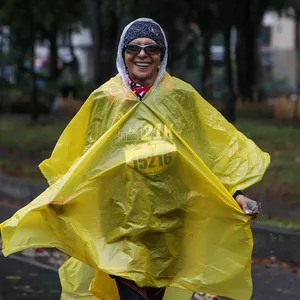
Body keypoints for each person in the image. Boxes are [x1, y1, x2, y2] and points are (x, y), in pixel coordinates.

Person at [1, 18, 270, 300]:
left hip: (168, 225)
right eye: (134, 47)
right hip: (120, 222)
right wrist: (65, 194)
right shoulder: (106, 99)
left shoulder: (180, 97)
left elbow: (207, 155)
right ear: (123, 53)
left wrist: (236, 194)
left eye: (152, 48)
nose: (142, 54)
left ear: (162, 55)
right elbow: (85, 156)